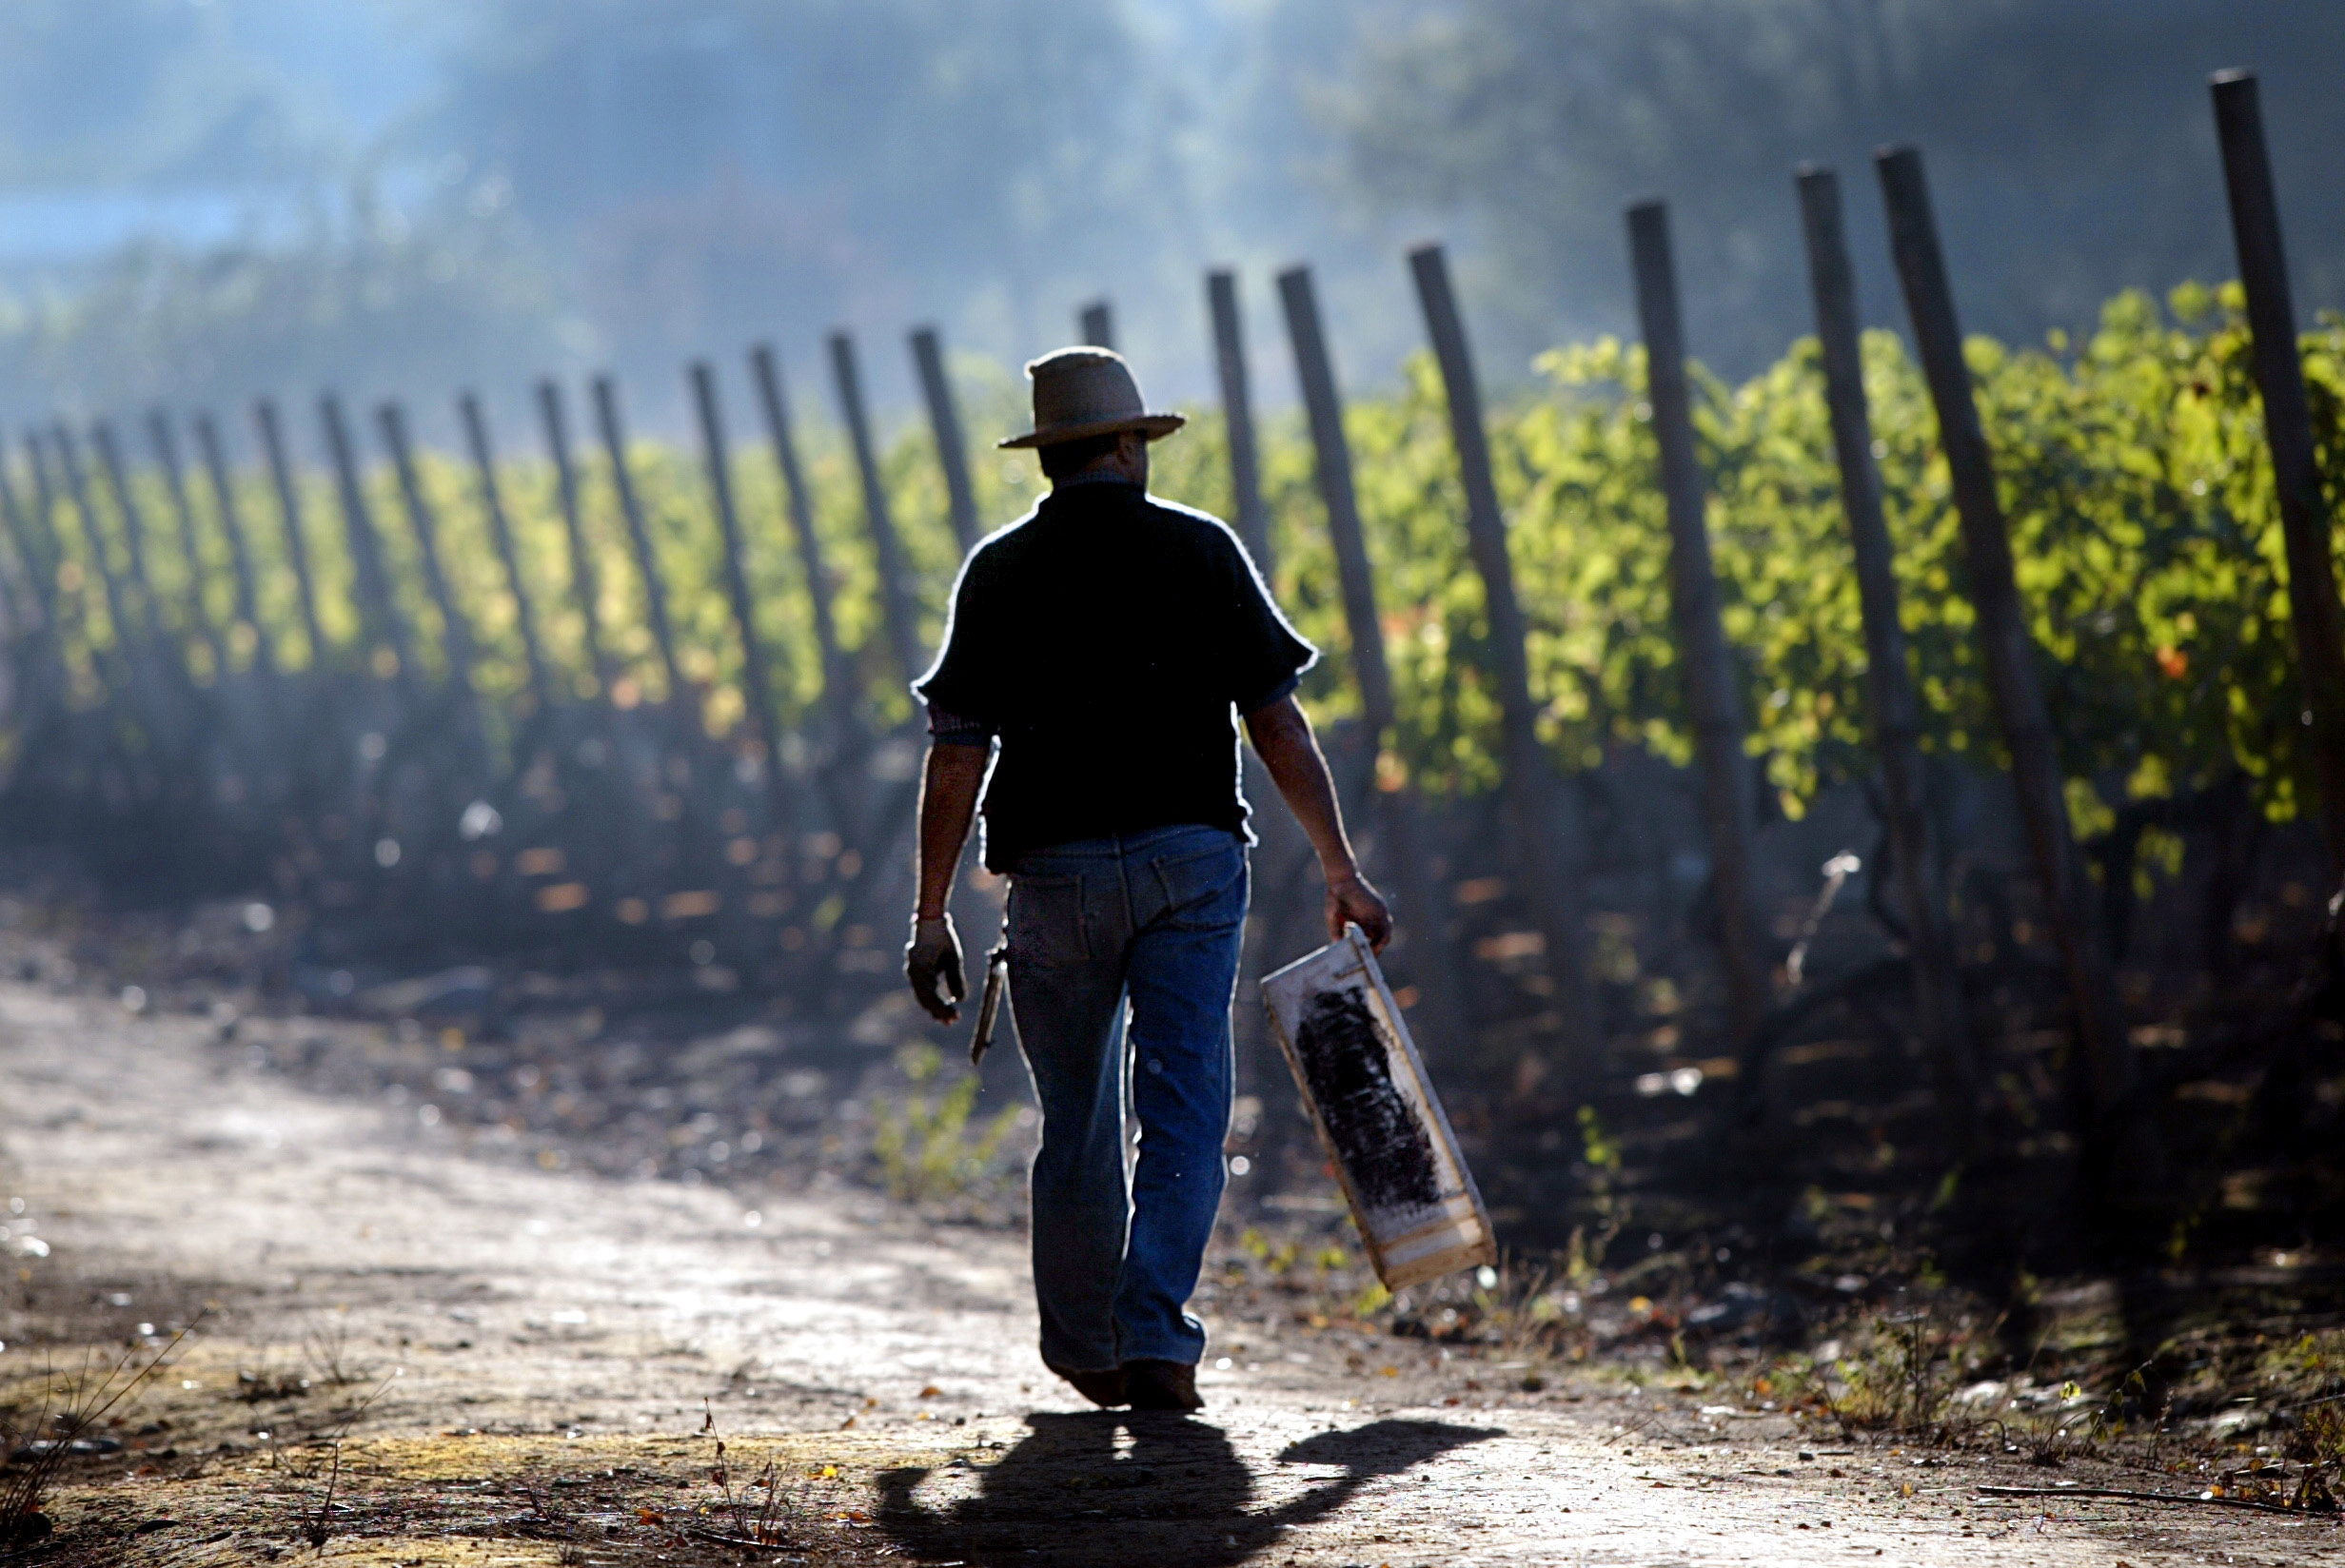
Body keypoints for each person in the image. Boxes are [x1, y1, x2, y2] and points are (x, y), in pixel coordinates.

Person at [903, 347, 1391, 1413]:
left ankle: (1088, 1344)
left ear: (1050, 457)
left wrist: (931, 914)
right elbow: (1276, 723)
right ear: (1128, 446)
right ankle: (1156, 1333)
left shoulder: (997, 571)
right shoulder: (1200, 550)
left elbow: (954, 754)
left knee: (1075, 1118)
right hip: (1191, 868)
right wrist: (1340, 866)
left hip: (1055, 879)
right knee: (1184, 1106)